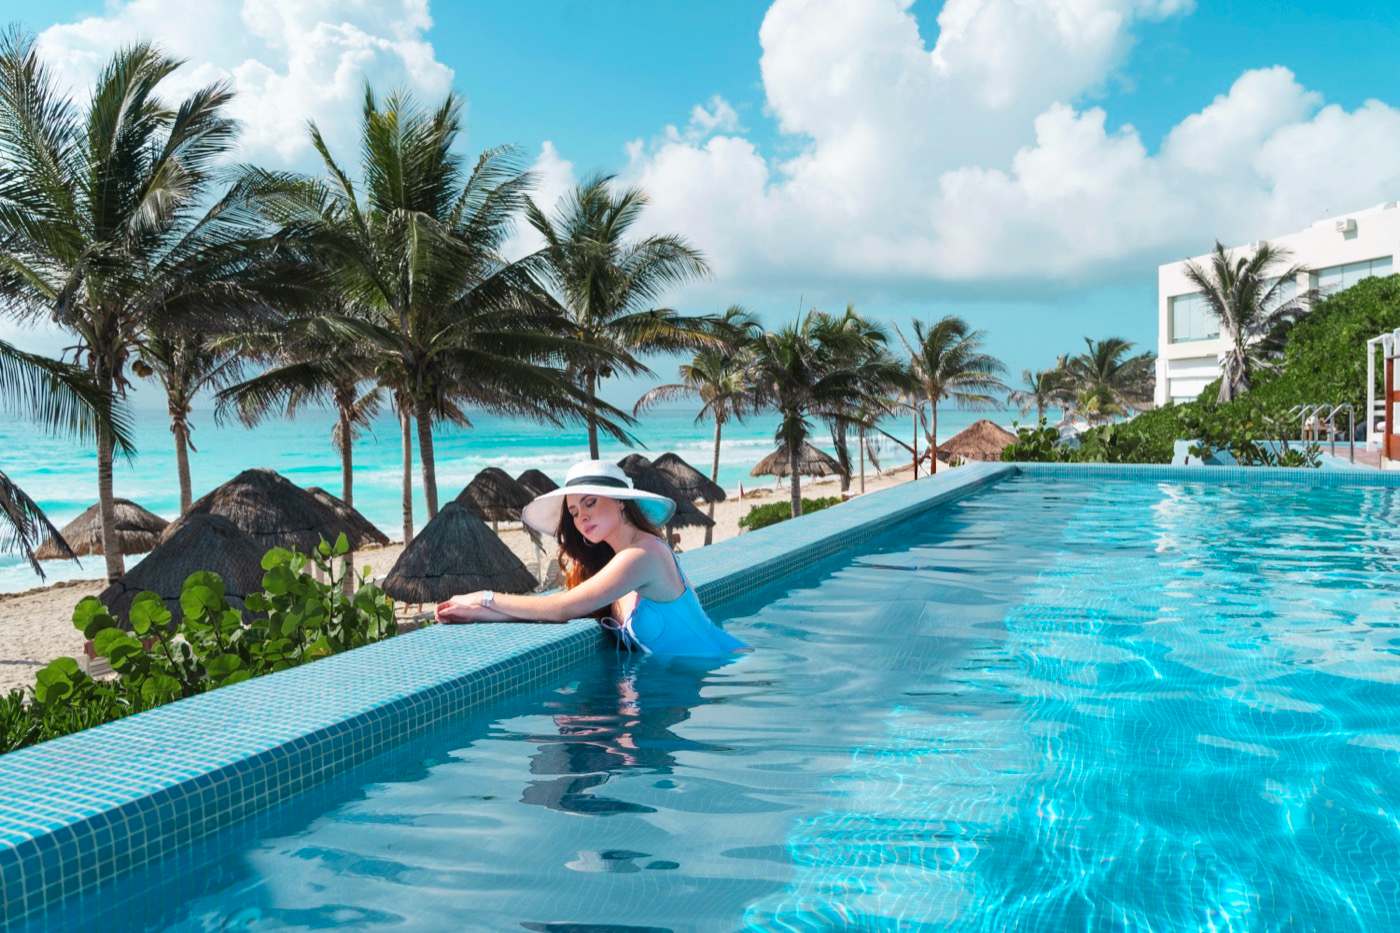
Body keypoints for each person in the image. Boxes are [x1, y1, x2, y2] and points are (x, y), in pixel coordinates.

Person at [435, 460, 748, 657]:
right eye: (573, 512)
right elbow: (563, 608)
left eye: (590, 503)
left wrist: (484, 597)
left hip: (721, 670)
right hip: (692, 679)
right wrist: (484, 614)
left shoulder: (644, 554)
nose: (581, 516)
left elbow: (561, 608)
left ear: (621, 503)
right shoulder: (618, 562)